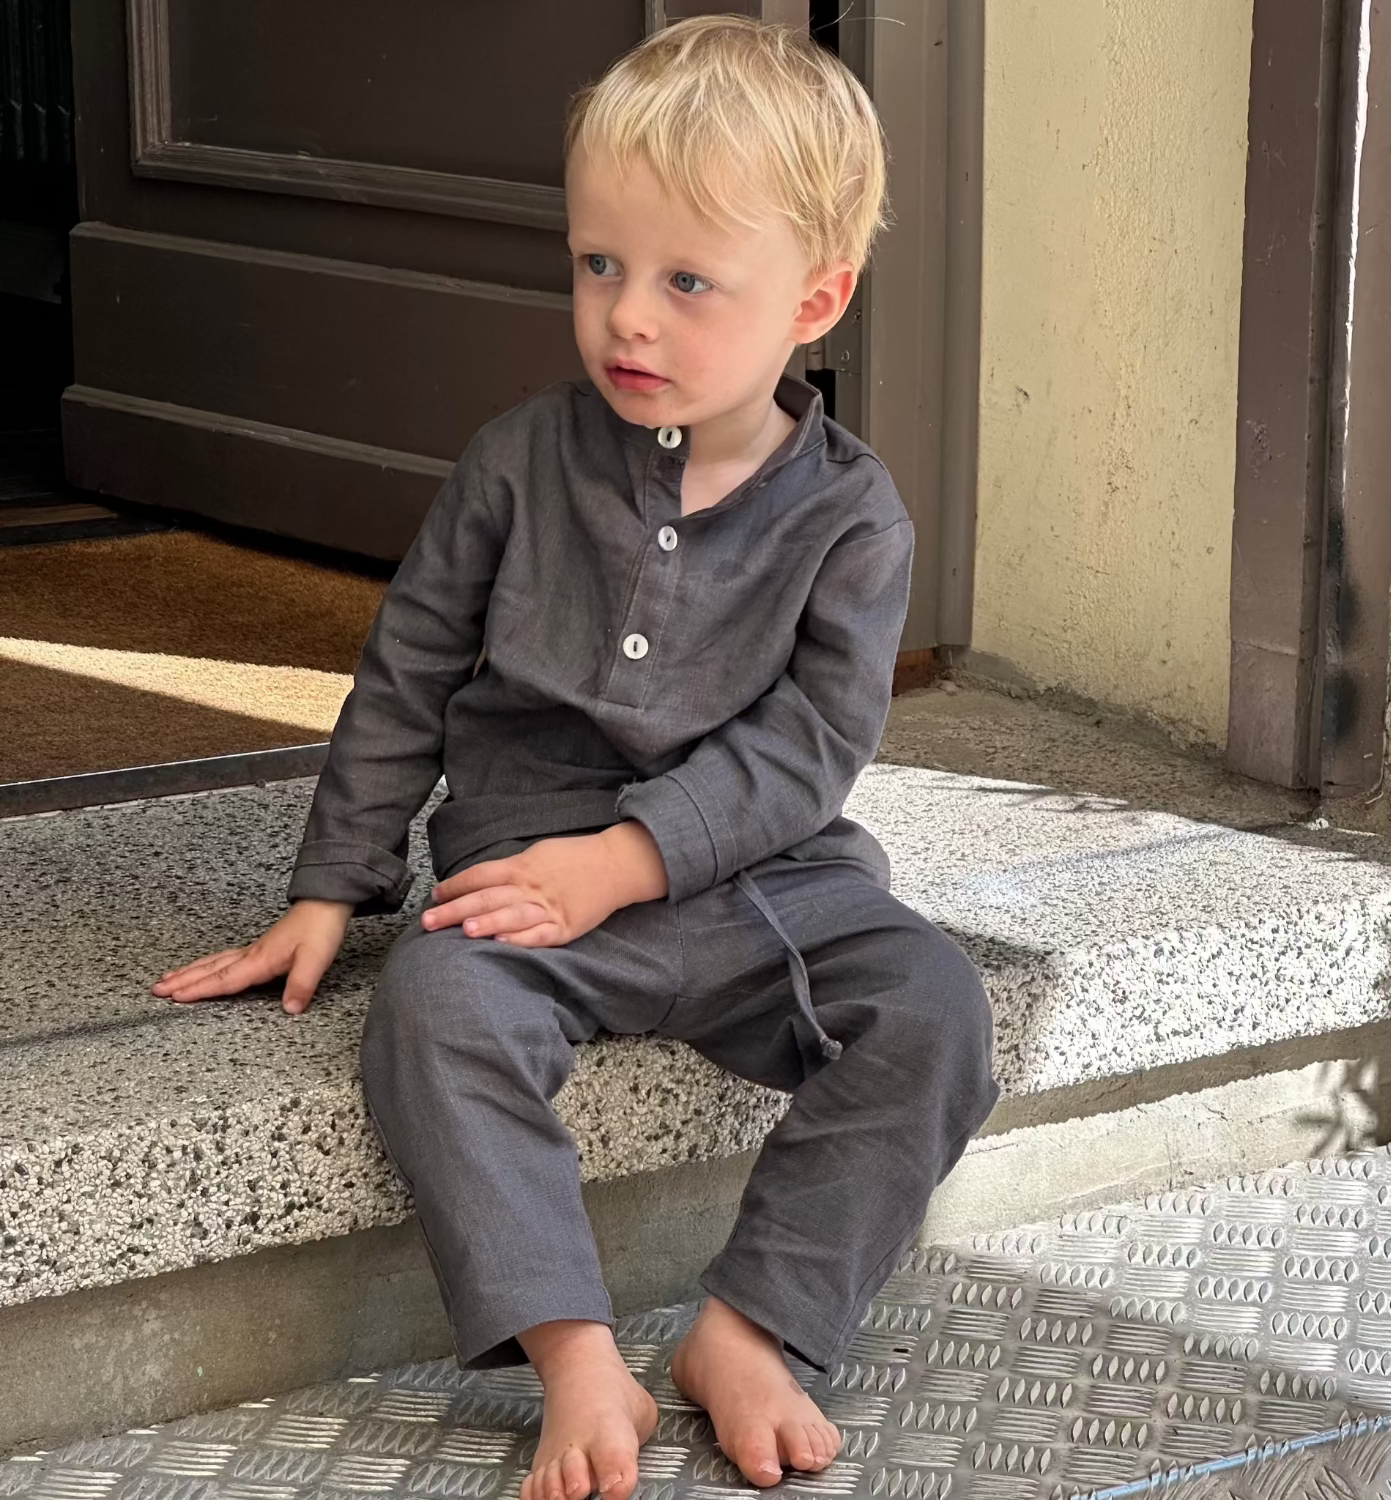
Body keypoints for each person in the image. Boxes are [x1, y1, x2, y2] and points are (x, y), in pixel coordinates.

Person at [154, 17, 997, 1500]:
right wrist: (333, 886)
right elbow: (410, 672)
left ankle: (754, 1329)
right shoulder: (515, 460)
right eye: (599, 264)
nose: (627, 319)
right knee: (433, 1013)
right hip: (524, 875)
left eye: (686, 282)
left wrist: (636, 859)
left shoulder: (853, 518)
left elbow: (813, 744)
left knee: (937, 1007)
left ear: (816, 300)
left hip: (764, 882)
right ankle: (573, 1354)